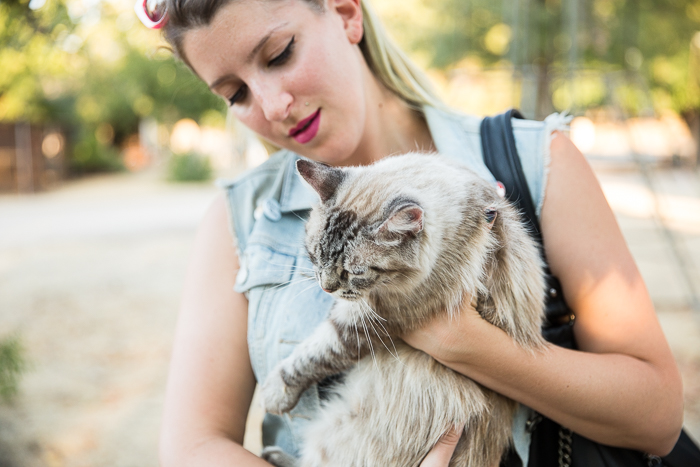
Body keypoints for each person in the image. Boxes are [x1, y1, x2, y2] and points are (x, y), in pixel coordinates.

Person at [143, 0, 685, 465]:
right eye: (235, 93)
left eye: (281, 53)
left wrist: (468, 344)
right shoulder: (240, 218)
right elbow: (192, 445)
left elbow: (657, 416)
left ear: (347, 13)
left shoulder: (533, 160)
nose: (272, 106)